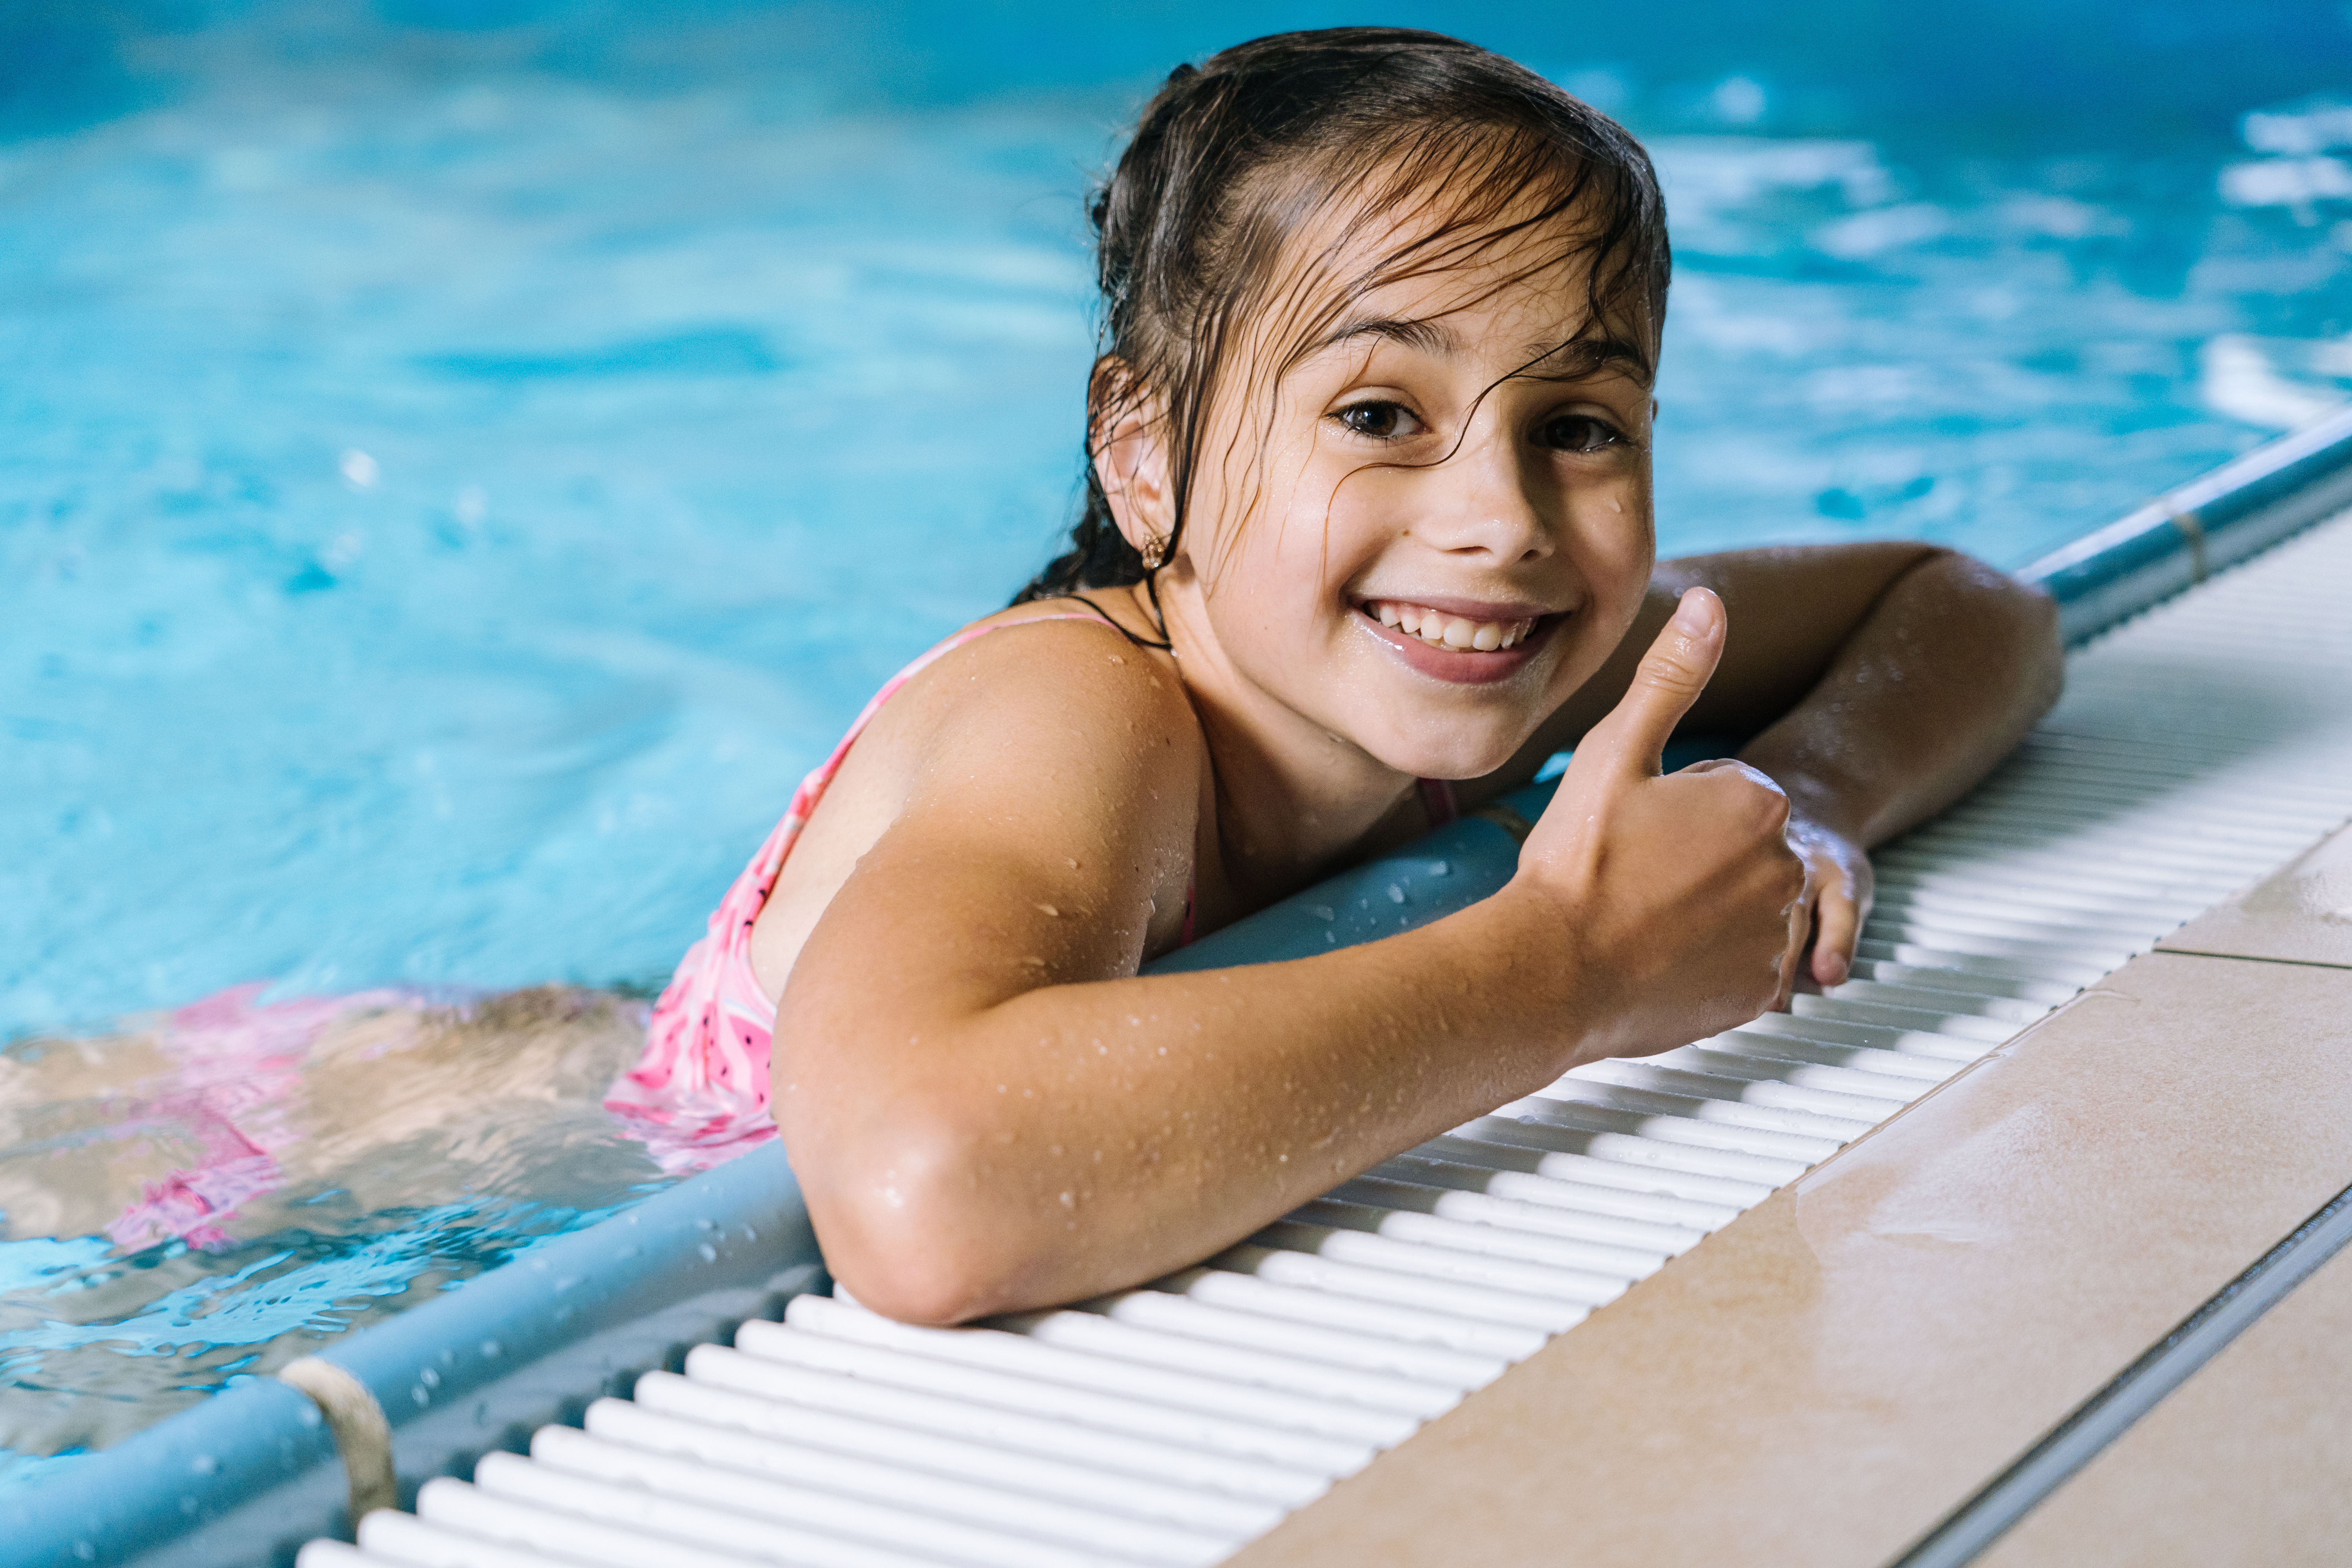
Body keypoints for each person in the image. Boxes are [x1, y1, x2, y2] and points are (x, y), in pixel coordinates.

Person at [610, 27, 2062, 1324]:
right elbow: (920, 1193)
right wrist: (1576, 967)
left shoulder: (1488, 643)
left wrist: (1803, 803)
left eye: (1580, 426)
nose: (1502, 521)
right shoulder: (1081, 709)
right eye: (1378, 411)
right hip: (504, 1140)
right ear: (1147, 454)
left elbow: (1969, 606)